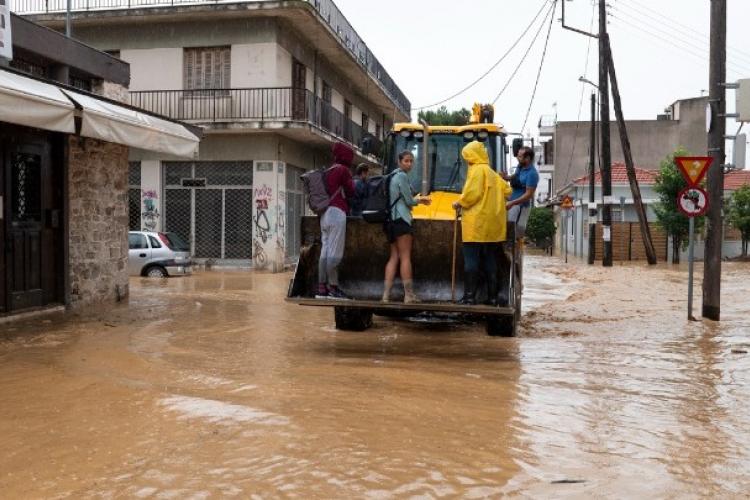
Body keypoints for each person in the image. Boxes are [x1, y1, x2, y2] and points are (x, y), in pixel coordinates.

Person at [452, 141, 512, 305]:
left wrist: (459, 203)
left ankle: (470, 297)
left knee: (471, 261)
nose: (467, 161)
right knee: (490, 260)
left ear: (472, 156)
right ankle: (492, 297)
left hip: (475, 225)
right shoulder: (492, 173)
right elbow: (508, 191)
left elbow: (472, 194)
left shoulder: (477, 171)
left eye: (468, 157)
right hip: (493, 228)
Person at [382, 151, 431, 303]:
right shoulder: (402, 176)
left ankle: (385, 296)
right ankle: (408, 295)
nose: (409, 164)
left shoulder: (391, 176)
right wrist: (422, 201)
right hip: (402, 220)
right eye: (406, 161)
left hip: (391, 221)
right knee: (405, 257)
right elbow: (409, 201)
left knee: (393, 257)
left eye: (411, 161)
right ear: (399, 161)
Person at [316, 142, 356, 299]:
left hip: (324, 214)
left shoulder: (327, 171)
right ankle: (333, 288)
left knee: (325, 251)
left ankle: (322, 288)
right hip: (337, 212)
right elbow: (351, 190)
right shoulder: (343, 170)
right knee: (335, 253)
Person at [504, 146, 540, 239]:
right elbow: (515, 176)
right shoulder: (520, 166)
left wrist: (513, 202)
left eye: (520, 156)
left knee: (517, 230)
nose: (517, 158)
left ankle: (513, 246)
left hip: (521, 206)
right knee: (508, 227)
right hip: (512, 201)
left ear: (527, 158)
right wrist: (506, 177)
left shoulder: (532, 174)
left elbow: (528, 195)